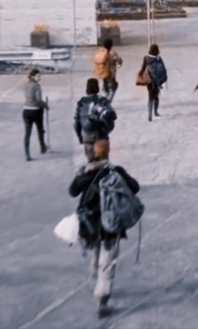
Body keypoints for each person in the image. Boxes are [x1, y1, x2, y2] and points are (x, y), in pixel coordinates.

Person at [69, 139, 140, 318]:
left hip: (90, 225)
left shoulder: (86, 174)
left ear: (93, 153)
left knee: (94, 252)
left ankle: (95, 273)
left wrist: (80, 174)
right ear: (108, 153)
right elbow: (135, 187)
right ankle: (102, 298)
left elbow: (72, 191)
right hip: (111, 225)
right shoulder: (115, 171)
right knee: (108, 261)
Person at [74, 78, 117, 163]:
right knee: (103, 164)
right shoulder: (103, 100)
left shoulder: (81, 103)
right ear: (98, 88)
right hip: (101, 136)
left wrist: (80, 136)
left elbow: (76, 122)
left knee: (91, 164)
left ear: (87, 88)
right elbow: (113, 116)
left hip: (87, 136)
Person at [22, 68, 49, 161]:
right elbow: (38, 100)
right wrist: (45, 105)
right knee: (40, 130)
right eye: (38, 76)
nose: (40, 78)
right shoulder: (37, 86)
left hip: (26, 110)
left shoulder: (26, 85)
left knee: (27, 133)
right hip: (36, 111)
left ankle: (27, 154)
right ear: (33, 76)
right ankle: (42, 147)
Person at [138, 43, 167, 122]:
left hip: (149, 80)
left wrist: (140, 74)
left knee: (150, 96)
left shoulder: (146, 58)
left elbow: (143, 68)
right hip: (157, 81)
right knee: (156, 96)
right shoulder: (159, 59)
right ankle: (155, 112)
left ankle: (149, 114)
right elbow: (163, 70)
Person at [94, 37, 123, 102]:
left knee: (106, 87)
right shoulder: (112, 53)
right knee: (113, 86)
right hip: (110, 73)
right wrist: (118, 64)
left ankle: (105, 97)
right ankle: (107, 102)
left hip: (103, 72)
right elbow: (119, 60)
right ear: (111, 45)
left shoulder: (100, 52)